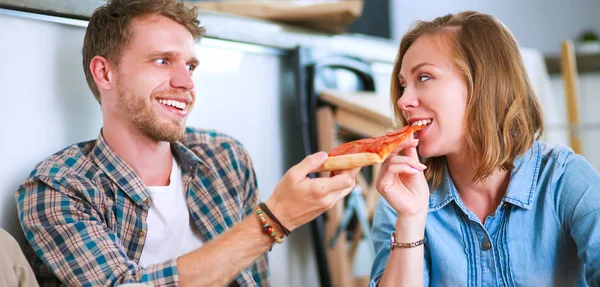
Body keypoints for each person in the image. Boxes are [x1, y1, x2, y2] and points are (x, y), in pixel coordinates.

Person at [15, 0, 359, 286]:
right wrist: (274, 219)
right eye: (162, 60)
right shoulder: (58, 187)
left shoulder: (225, 158)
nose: (185, 83)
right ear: (105, 73)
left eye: (190, 66)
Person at [369, 11, 600, 286]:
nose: (403, 100)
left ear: (484, 83)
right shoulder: (402, 199)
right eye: (403, 85)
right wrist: (410, 219)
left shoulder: (565, 180)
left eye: (424, 77)